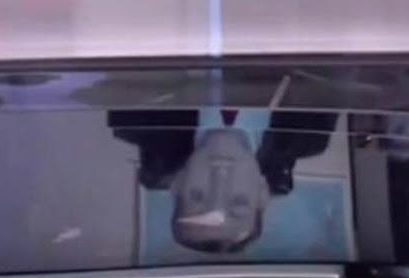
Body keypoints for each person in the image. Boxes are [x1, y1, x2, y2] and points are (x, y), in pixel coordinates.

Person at [109, 108, 340, 254]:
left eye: (197, 195)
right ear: (262, 192)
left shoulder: (135, 122)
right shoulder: (309, 135)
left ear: (178, 183)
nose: (220, 175)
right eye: (239, 201)